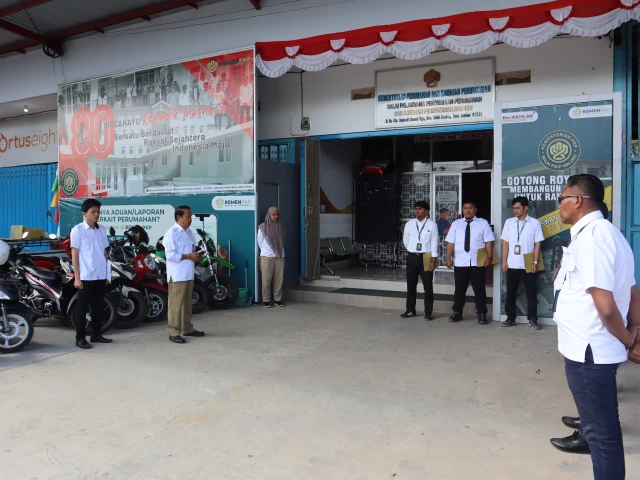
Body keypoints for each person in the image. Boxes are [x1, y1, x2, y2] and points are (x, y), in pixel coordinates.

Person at [549, 174, 638, 480]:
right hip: (588, 348)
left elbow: (606, 306)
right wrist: (635, 328)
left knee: (602, 436)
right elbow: (633, 291)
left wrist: (629, 339)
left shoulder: (592, 238)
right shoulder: (606, 233)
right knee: (600, 429)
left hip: (589, 352)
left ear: (577, 200)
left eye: (562, 198)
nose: (559, 205)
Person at [70, 199, 112, 349]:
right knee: (82, 309)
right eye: (93, 212)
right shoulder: (78, 230)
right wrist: (77, 277)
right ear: (84, 213)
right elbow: (75, 255)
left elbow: (104, 253)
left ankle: (96, 334)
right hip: (86, 276)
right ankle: (80, 338)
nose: (96, 214)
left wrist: (107, 274)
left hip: (100, 275)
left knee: (98, 308)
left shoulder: (102, 230)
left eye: (98, 212)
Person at [445, 201, 495, 325]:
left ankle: (482, 313)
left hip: (478, 262)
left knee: (479, 289)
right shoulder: (456, 224)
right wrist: (448, 258)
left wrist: (489, 257)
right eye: (465, 208)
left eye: (470, 208)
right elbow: (451, 243)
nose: (467, 210)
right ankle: (457, 312)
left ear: (475, 210)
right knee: (459, 289)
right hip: (460, 262)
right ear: (462, 210)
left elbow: (488, 242)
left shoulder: (483, 223)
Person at [501, 196, 545, 329]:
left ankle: (532, 318)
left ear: (525, 208)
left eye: (518, 208)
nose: (515, 210)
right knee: (511, 292)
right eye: (514, 208)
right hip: (512, 263)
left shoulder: (534, 223)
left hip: (528, 263)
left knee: (531, 293)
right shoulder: (509, 222)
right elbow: (505, 243)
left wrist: (535, 262)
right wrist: (504, 261)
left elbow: (537, 244)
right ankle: (510, 318)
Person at [163, 206, 204, 344]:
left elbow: (192, 251)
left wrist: (196, 257)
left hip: (188, 274)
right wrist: (188, 256)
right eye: (188, 216)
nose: (190, 219)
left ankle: (187, 328)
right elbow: (170, 256)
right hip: (177, 275)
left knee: (187, 304)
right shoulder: (172, 233)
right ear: (179, 217)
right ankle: (173, 331)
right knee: (175, 305)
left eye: (191, 216)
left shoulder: (190, 233)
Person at [401, 201, 438, 320]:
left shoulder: (432, 225)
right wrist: (412, 250)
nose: (417, 211)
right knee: (411, 285)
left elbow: (434, 243)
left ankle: (428, 312)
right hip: (412, 257)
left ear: (426, 211)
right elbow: (405, 241)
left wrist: (433, 260)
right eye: (416, 209)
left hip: (426, 257)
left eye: (420, 209)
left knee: (428, 286)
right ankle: (410, 310)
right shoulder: (409, 224)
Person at [258, 207, 285, 308]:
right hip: (267, 256)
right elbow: (260, 242)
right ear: (269, 215)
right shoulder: (263, 227)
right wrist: (268, 250)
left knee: (279, 279)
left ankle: (278, 299)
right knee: (266, 279)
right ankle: (266, 300)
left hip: (280, 256)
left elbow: (282, 240)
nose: (276, 217)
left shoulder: (280, 226)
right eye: (273, 215)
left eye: (277, 215)